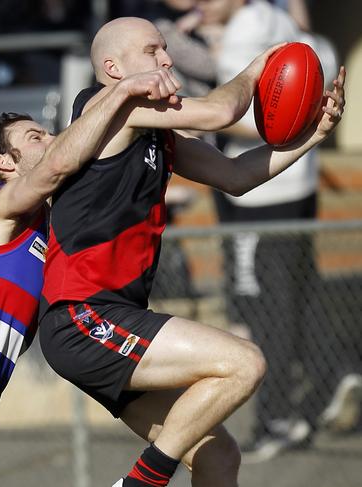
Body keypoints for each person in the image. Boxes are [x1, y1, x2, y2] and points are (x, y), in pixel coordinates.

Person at [37, 16, 346, 487]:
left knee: (218, 456)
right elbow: (219, 114)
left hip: (113, 317)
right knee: (245, 362)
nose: (166, 57)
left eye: (166, 47)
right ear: (112, 68)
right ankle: (141, 482)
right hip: (83, 318)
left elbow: (236, 177)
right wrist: (255, 70)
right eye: (152, 50)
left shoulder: (154, 132)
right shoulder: (106, 106)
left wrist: (315, 134)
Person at [0, 70, 183, 487]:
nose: (51, 139)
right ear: (4, 162)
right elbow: (56, 168)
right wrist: (122, 93)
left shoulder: (50, 232)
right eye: (34, 137)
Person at [195, 0, 348, 461]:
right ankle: (318, 391)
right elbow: (320, 65)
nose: (201, 6)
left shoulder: (245, 26)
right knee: (297, 300)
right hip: (298, 184)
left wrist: (197, 121)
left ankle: (277, 417)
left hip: (260, 195)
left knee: (265, 312)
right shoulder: (287, 23)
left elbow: (240, 119)